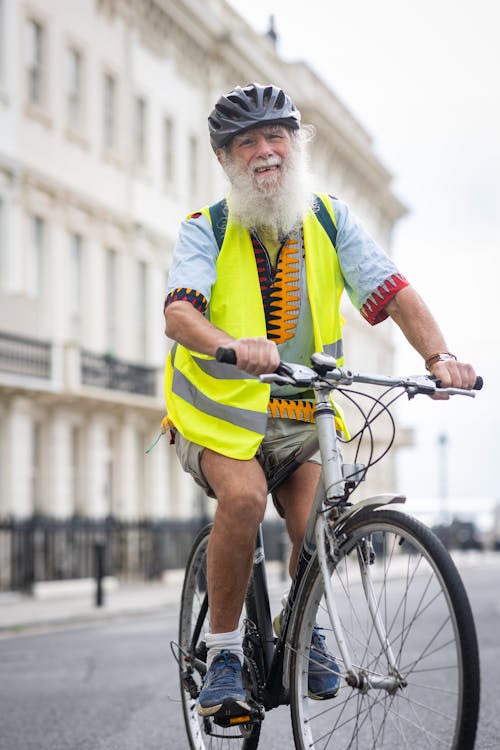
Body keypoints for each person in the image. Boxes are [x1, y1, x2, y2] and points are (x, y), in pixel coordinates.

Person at [164, 83, 476, 717]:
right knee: (246, 498)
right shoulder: (206, 229)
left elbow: (394, 293)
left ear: (296, 145)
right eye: (245, 142)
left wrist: (439, 357)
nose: (264, 151)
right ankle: (224, 653)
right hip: (217, 416)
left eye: (275, 136)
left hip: (302, 415)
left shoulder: (330, 219)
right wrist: (231, 345)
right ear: (225, 160)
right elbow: (179, 316)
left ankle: (312, 630)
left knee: (315, 527)